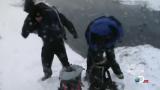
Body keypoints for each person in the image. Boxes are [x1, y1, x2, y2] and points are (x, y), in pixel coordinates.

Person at [22, 0, 78, 81]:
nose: (38, 18)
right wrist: (73, 31)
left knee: (46, 59)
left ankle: (48, 74)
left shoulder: (32, 15)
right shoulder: (51, 11)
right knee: (64, 61)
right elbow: (65, 21)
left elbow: (24, 34)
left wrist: (31, 27)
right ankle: (66, 70)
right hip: (58, 40)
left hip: (48, 43)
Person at [85, 16, 124, 81]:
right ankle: (89, 73)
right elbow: (92, 45)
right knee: (93, 58)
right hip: (96, 36)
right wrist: (97, 54)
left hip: (104, 34)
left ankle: (117, 72)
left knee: (110, 56)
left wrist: (109, 45)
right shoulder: (91, 35)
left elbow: (119, 34)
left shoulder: (116, 28)